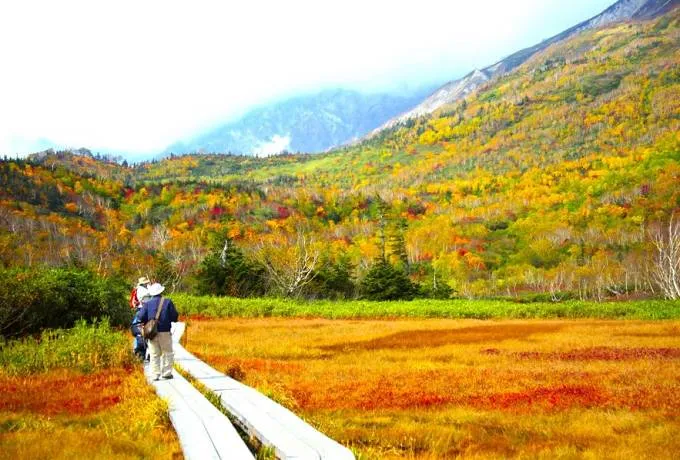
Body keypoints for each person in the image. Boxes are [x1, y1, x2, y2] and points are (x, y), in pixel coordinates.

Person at [137, 283, 179, 380]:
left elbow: (140, 317)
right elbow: (174, 316)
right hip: (165, 331)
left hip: (152, 332)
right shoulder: (168, 302)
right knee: (167, 352)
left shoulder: (148, 304)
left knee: (154, 353)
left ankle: (155, 374)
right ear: (161, 291)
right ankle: (166, 373)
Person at [130, 285, 150, 361]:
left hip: (139, 310)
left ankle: (137, 350)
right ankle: (146, 352)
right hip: (144, 310)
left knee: (137, 330)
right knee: (148, 331)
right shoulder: (144, 290)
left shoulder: (136, 289)